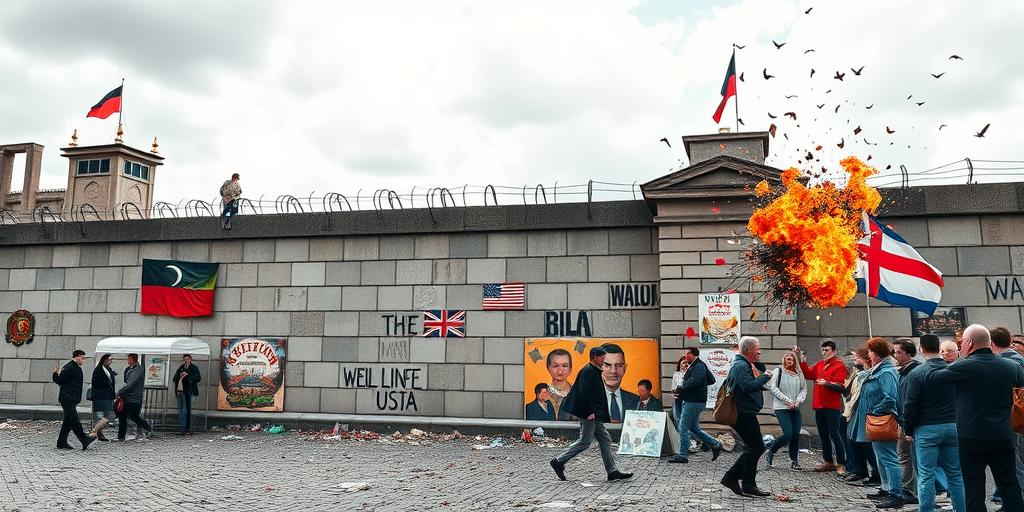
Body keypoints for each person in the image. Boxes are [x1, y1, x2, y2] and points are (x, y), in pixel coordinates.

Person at [929, 324, 1024, 512]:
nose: (961, 346)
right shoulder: (1011, 366)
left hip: (971, 436)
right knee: (1009, 484)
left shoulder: (963, 366)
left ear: (970, 342)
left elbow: (933, 378)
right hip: (1002, 433)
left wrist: (952, 359)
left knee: (973, 487)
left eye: (962, 342)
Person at [901, 334, 966, 512]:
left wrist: (908, 429)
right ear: (939, 349)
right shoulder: (951, 371)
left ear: (921, 349)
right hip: (952, 426)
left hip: (926, 428)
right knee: (955, 474)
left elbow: (910, 404)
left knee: (926, 475)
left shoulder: (917, 373)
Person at [550, 346, 632, 482]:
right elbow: (584, 393)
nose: (604, 359)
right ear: (595, 357)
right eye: (602, 357)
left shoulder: (594, 370)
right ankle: (558, 461)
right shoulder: (588, 371)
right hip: (590, 414)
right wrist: (589, 412)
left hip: (595, 414)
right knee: (585, 441)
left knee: (605, 439)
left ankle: (612, 471)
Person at [852, 337, 903, 509]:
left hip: (882, 419)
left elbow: (891, 397)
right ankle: (886, 488)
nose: (869, 355)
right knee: (881, 458)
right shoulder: (877, 370)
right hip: (875, 419)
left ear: (877, 353)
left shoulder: (886, 372)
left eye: (871, 352)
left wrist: (875, 411)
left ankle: (896, 494)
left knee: (888, 457)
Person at [721, 336, 772, 498]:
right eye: (757, 349)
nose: (760, 352)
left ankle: (746, 483)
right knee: (756, 447)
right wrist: (766, 377)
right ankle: (735, 479)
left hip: (746, 412)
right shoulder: (740, 365)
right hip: (742, 414)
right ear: (749, 350)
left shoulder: (745, 364)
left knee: (754, 447)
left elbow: (754, 382)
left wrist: (759, 370)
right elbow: (748, 386)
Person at [797, 339, 849, 475]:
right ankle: (828, 461)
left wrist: (827, 383)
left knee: (835, 435)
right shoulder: (820, 364)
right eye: (823, 350)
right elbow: (808, 374)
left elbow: (841, 386)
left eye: (826, 350)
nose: (824, 353)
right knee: (823, 435)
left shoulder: (839, 365)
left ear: (833, 351)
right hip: (819, 405)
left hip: (832, 406)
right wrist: (802, 360)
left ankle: (842, 463)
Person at [670, 347, 722, 464]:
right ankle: (715, 444)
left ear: (694, 355)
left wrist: (680, 388)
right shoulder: (699, 366)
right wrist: (699, 387)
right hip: (695, 401)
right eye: (685, 354)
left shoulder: (698, 366)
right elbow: (711, 380)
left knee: (683, 427)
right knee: (694, 428)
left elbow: (695, 381)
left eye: (688, 354)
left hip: (693, 402)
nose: (685, 356)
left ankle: (682, 455)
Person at [991, 326, 1024, 505]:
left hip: (1010, 417)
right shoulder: (1019, 359)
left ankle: (1016, 501)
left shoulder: (1005, 363)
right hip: (1018, 415)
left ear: (992, 343)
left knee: (1013, 462)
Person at [844, 347, 881, 486]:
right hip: (855, 410)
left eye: (858, 357)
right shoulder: (858, 372)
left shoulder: (871, 373)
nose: (855, 360)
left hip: (866, 411)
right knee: (853, 440)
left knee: (867, 444)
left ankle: (876, 474)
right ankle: (860, 470)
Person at [765, 351, 807, 470]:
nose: (789, 361)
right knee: (788, 433)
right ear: (784, 360)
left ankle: (794, 460)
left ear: (795, 361)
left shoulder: (799, 373)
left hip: (795, 407)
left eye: (792, 359)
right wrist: (787, 401)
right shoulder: (778, 371)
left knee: (795, 434)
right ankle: (771, 450)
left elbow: (803, 389)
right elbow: (774, 388)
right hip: (781, 407)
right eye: (787, 359)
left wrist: (797, 401)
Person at [893, 338, 921, 505]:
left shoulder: (913, 371)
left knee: (906, 455)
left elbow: (909, 400)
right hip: (903, 418)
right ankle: (907, 488)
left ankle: (909, 489)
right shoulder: (903, 370)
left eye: (898, 352)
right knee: (904, 455)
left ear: (909, 354)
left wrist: (906, 423)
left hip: (908, 420)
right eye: (894, 352)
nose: (895, 355)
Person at [51, 350, 94, 451]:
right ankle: (84, 438)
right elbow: (59, 380)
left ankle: (61, 442)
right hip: (67, 398)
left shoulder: (74, 367)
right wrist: (55, 374)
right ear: (77, 357)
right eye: (83, 358)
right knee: (74, 419)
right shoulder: (70, 367)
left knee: (68, 421)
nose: (84, 360)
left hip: (71, 398)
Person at [117, 353, 153, 441]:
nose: (127, 360)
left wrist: (120, 392)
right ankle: (121, 436)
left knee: (133, 416)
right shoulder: (130, 368)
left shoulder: (138, 369)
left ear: (133, 359)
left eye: (129, 359)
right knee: (122, 415)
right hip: (127, 397)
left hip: (134, 397)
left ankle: (147, 427)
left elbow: (131, 383)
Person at [600, 343, 640, 420]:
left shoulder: (637, 401)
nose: (613, 371)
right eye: (607, 365)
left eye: (619, 365)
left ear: (625, 368)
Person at [87, 354, 117, 441]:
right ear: (105, 360)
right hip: (102, 397)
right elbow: (98, 384)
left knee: (103, 416)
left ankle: (99, 434)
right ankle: (94, 431)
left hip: (106, 397)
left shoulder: (107, 370)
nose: (111, 361)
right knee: (110, 415)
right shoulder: (99, 370)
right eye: (110, 360)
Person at [172, 354, 202, 434]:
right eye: (185, 359)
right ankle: (183, 428)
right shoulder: (181, 367)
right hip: (181, 391)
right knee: (182, 410)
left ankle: (189, 429)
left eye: (188, 359)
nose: (186, 360)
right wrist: (180, 375)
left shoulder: (194, 367)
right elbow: (175, 378)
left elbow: (198, 378)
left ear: (191, 359)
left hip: (190, 391)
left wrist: (188, 375)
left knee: (189, 410)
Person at [545, 349, 573, 420]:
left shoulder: (577, 394)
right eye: (555, 366)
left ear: (570, 368)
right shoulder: (543, 394)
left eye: (565, 365)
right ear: (548, 368)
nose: (560, 371)